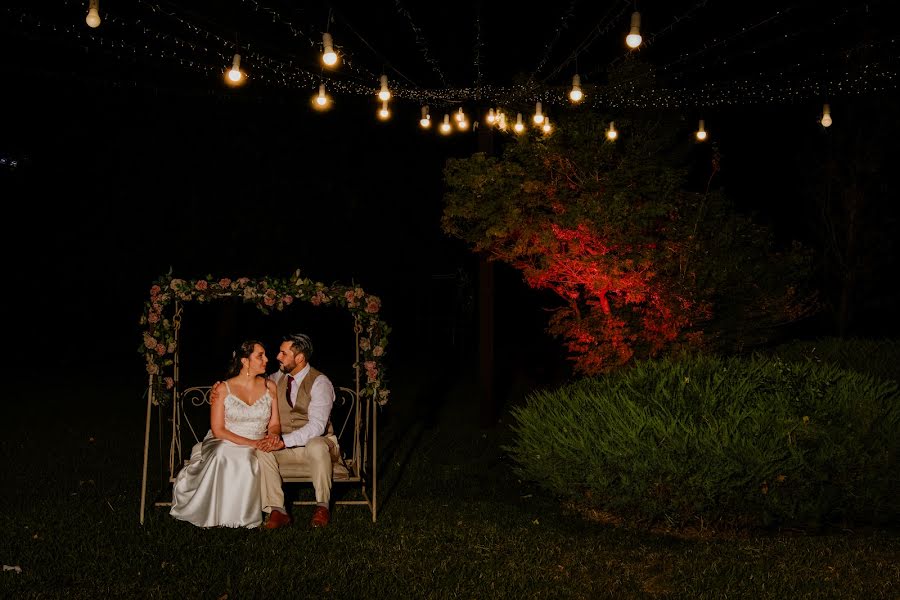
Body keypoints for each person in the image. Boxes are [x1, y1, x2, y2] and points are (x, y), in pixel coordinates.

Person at [211, 332, 338, 529]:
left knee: (316, 444)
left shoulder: (320, 382)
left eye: (283, 353)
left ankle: (322, 506)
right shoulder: (275, 379)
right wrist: (219, 387)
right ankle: (278, 510)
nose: (277, 357)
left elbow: (317, 427)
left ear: (300, 358)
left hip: (315, 446)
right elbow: (247, 384)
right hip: (284, 447)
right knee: (262, 450)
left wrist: (282, 440)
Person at [170, 340, 279, 528]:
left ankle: (242, 517)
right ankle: (212, 513)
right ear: (245, 361)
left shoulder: (270, 386)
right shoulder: (223, 389)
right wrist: (251, 443)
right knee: (223, 454)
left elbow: (275, 423)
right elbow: (218, 429)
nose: (266, 359)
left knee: (247, 458)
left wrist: (272, 435)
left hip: (258, 440)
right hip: (225, 438)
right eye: (260, 356)